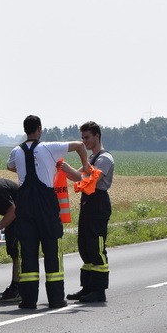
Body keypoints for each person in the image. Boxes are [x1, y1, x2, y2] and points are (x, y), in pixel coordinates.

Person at [7, 115, 89, 309]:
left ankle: (28, 300)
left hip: (25, 206)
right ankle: (55, 299)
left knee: (28, 252)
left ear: (25, 129)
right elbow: (79, 145)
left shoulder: (16, 151)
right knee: (52, 250)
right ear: (39, 129)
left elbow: (9, 166)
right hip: (46, 206)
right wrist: (85, 165)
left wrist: (24, 168)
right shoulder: (49, 147)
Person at [58, 121, 115, 303]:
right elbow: (78, 175)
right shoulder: (90, 159)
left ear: (97, 136)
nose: (84, 142)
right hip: (88, 203)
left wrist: (68, 170)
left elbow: (89, 180)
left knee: (96, 248)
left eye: (87, 137)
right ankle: (88, 288)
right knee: (85, 246)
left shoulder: (104, 159)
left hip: (98, 203)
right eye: (82, 138)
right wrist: (62, 167)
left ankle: (99, 291)